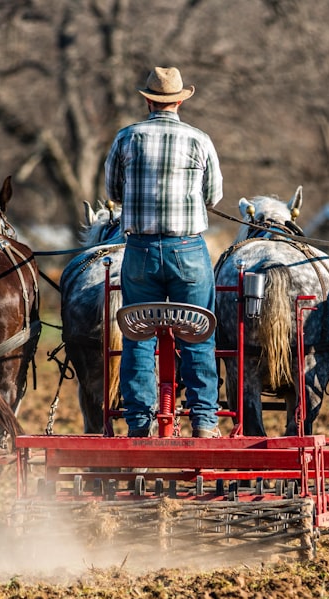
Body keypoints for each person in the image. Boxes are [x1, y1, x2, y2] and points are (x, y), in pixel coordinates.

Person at [104, 66, 224, 438]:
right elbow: (213, 196)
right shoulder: (199, 139)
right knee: (198, 332)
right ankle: (204, 421)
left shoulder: (127, 137)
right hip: (187, 249)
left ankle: (139, 422)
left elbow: (113, 192)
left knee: (138, 335)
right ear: (180, 100)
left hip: (139, 251)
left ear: (147, 100)